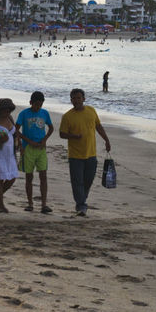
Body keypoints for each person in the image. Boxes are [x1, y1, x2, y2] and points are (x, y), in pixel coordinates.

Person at [59, 88, 112, 216]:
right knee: (77, 181)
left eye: (78, 98)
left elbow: (98, 126)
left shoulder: (91, 111)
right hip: (75, 155)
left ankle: (81, 200)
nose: (76, 100)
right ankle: (81, 205)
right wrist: (73, 136)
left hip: (91, 153)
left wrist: (106, 140)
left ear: (84, 99)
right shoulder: (67, 116)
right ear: (71, 100)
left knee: (88, 180)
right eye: (73, 98)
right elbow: (62, 134)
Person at [15, 91, 54, 213]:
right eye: (36, 104)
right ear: (31, 102)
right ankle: (30, 203)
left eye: (40, 104)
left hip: (41, 148)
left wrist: (45, 140)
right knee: (29, 176)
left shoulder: (45, 113)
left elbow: (51, 128)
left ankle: (43, 204)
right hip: (28, 148)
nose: (38, 107)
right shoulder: (24, 114)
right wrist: (24, 144)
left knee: (43, 175)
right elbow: (16, 131)